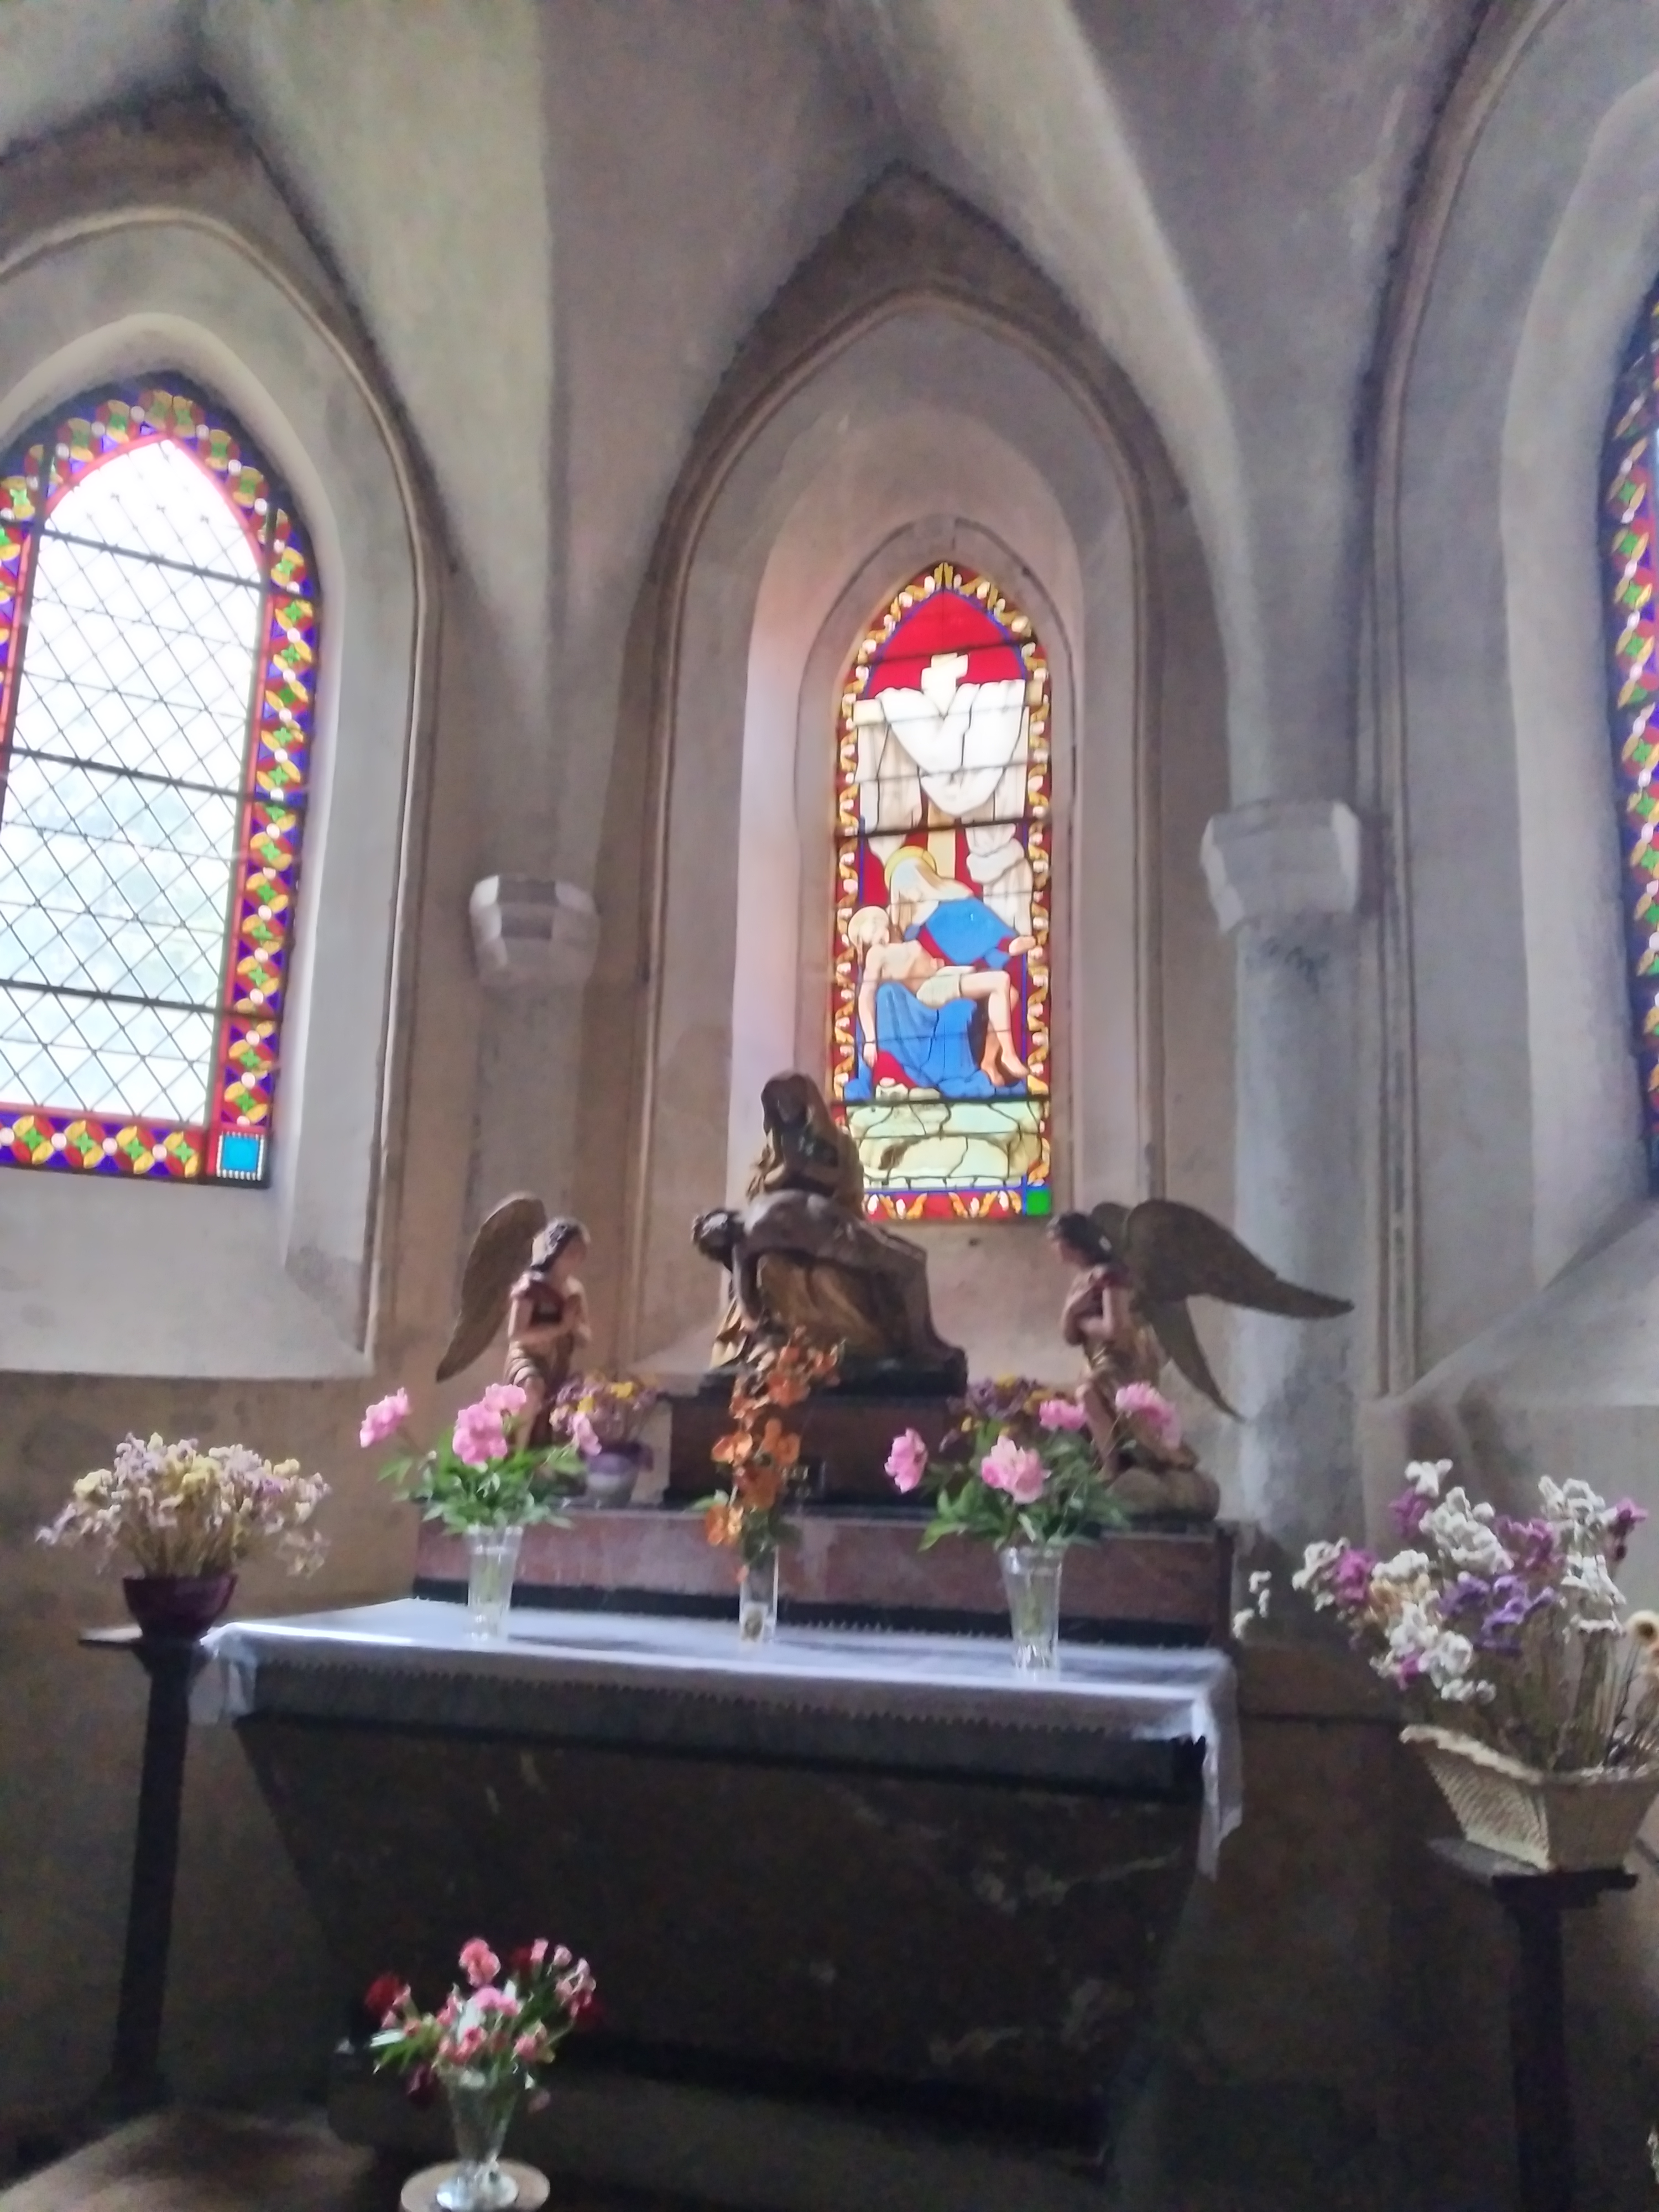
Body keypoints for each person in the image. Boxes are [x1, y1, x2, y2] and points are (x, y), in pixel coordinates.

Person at [1048, 1210, 1219, 1520]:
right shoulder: (1082, 1279)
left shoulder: (1111, 1276)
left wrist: (1081, 1322)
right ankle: (1109, 1463)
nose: (1053, 1249)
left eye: (1056, 1241)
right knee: (1089, 1398)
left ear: (1072, 1243)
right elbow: (1069, 1336)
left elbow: (1117, 1329)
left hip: (1122, 1360)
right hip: (1095, 1359)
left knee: (1094, 1397)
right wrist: (1072, 1312)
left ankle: (1115, 1465)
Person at [848, 904, 1034, 1086]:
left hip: (943, 977)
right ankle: (1008, 1055)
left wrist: (934, 964)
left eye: (877, 922)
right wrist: (870, 1040)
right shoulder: (877, 953)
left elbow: (930, 965)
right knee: (1000, 981)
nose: (877, 927)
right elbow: (866, 996)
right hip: (930, 989)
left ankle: (989, 1061)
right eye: (871, 927)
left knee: (1009, 992)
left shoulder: (905, 943)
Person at [504, 1218, 591, 1446]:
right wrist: (560, 1327)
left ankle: (545, 1455)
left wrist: (574, 1326)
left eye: (580, 1254)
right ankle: (518, 1453)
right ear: (556, 1250)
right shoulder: (530, 1287)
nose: (576, 1259)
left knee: (565, 1406)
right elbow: (517, 1334)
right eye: (571, 1252)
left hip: (557, 1363)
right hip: (529, 1357)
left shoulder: (575, 1291)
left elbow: (586, 1338)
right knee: (533, 1388)